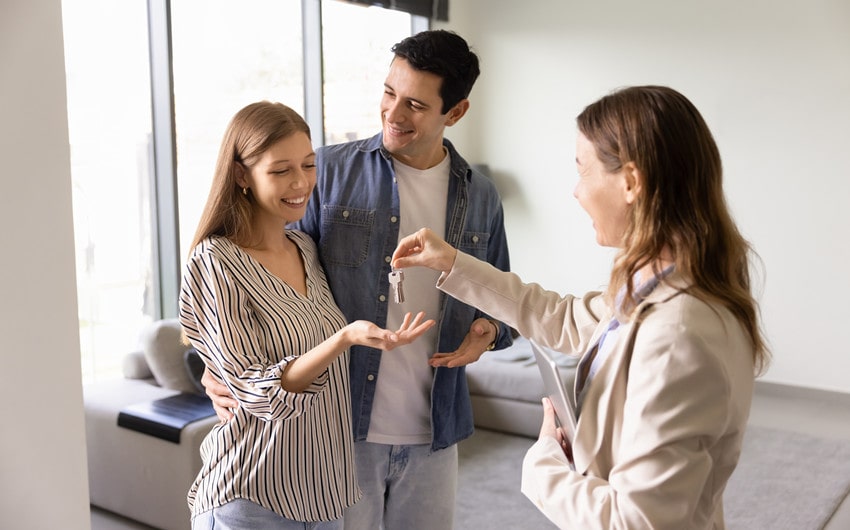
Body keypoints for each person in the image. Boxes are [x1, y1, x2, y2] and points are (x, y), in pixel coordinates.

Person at [392, 85, 770, 529]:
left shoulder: (677, 334)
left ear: (631, 182)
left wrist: (544, 464)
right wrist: (452, 262)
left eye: (583, 171)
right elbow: (562, 318)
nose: (576, 191)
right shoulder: (654, 284)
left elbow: (637, 521)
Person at [203, 30, 513, 529]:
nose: (394, 113)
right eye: (389, 92)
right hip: (339, 429)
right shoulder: (325, 172)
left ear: (455, 112)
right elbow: (257, 275)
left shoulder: (481, 197)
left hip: (434, 435)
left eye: (415, 104)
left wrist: (489, 331)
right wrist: (214, 364)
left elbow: (503, 301)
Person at [179, 101, 435, 529]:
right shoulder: (215, 260)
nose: (300, 182)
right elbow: (258, 391)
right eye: (281, 170)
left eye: (309, 165)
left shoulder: (306, 248)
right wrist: (344, 338)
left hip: (327, 496)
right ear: (241, 175)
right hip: (254, 496)